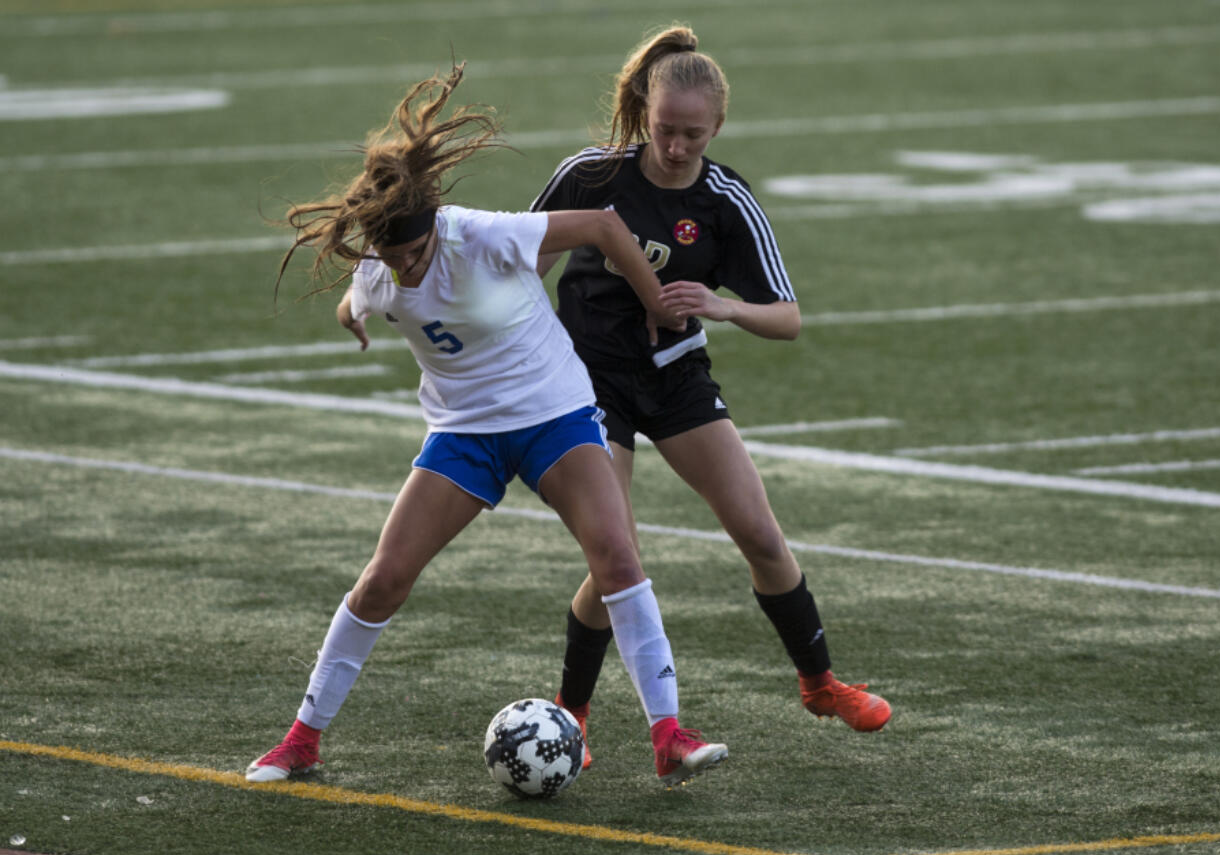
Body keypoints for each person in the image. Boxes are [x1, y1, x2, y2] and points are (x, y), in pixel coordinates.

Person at [245, 62, 726, 789]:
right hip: (465, 431)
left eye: (414, 253)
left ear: (435, 227)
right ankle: (301, 740)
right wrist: (354, 317)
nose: (405, 268)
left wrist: (657, 301)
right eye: (392, 257)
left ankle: (668, 734)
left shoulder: (481, 237)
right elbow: (360, 297)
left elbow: (600, 223)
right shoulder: (380, 267)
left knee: (618, 559)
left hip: (553, 414)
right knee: (383, 580)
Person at [530, 26, 891, 768]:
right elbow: (517, 261)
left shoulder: (725, 198)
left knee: (760, 534)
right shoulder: (591, 176)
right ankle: (572, 713)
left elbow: (787, 318)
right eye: (664, 129)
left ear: (717, 126)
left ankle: (820, 683)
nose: (674, 145)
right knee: (614, 550)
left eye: (692, 134)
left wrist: (727, 307)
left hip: (678, 378)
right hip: (590, 383)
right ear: (644, 113)